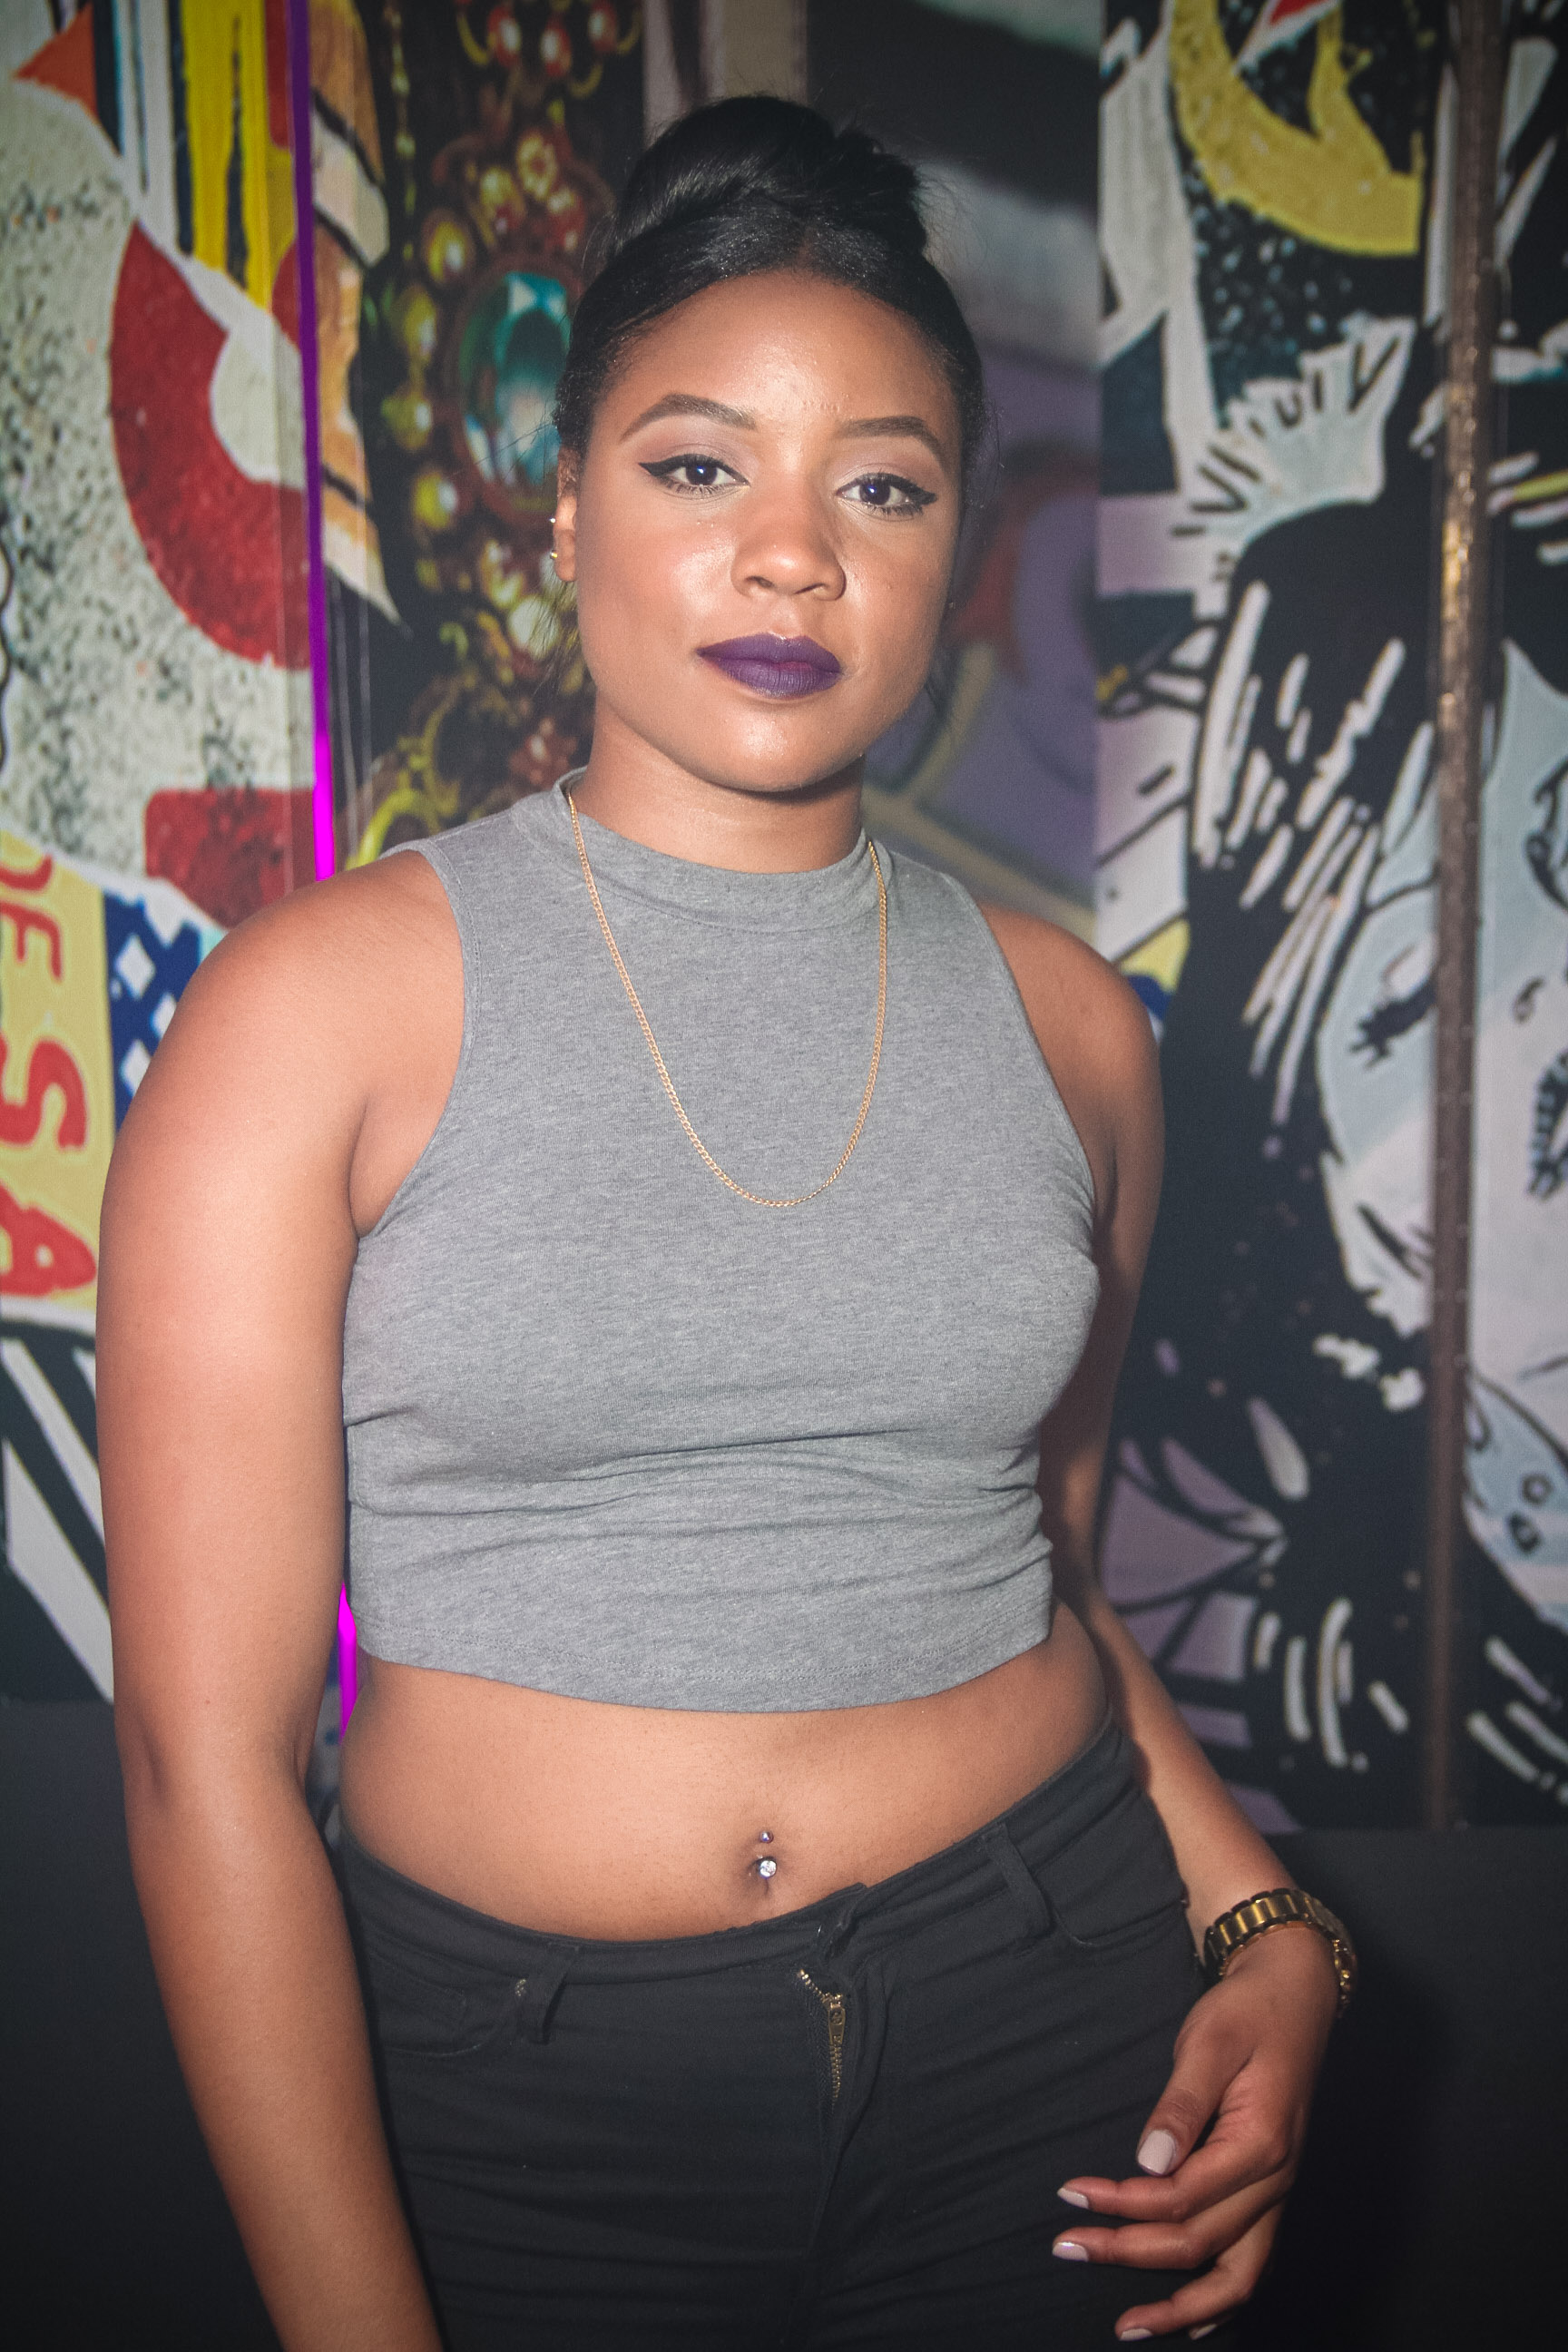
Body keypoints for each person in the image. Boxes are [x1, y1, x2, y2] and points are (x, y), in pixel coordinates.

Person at [101, 100, 1349, 2352]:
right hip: (521, 2114)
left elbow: (1048, 1579)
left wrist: (1271, 1929)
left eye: (882, 487)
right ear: (565, 505)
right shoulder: (314, 1011)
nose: (792, 558)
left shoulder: (1077, 1032)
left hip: (1051, 2035)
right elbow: (209, 1767)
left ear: (959, 550)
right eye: (699, 467)